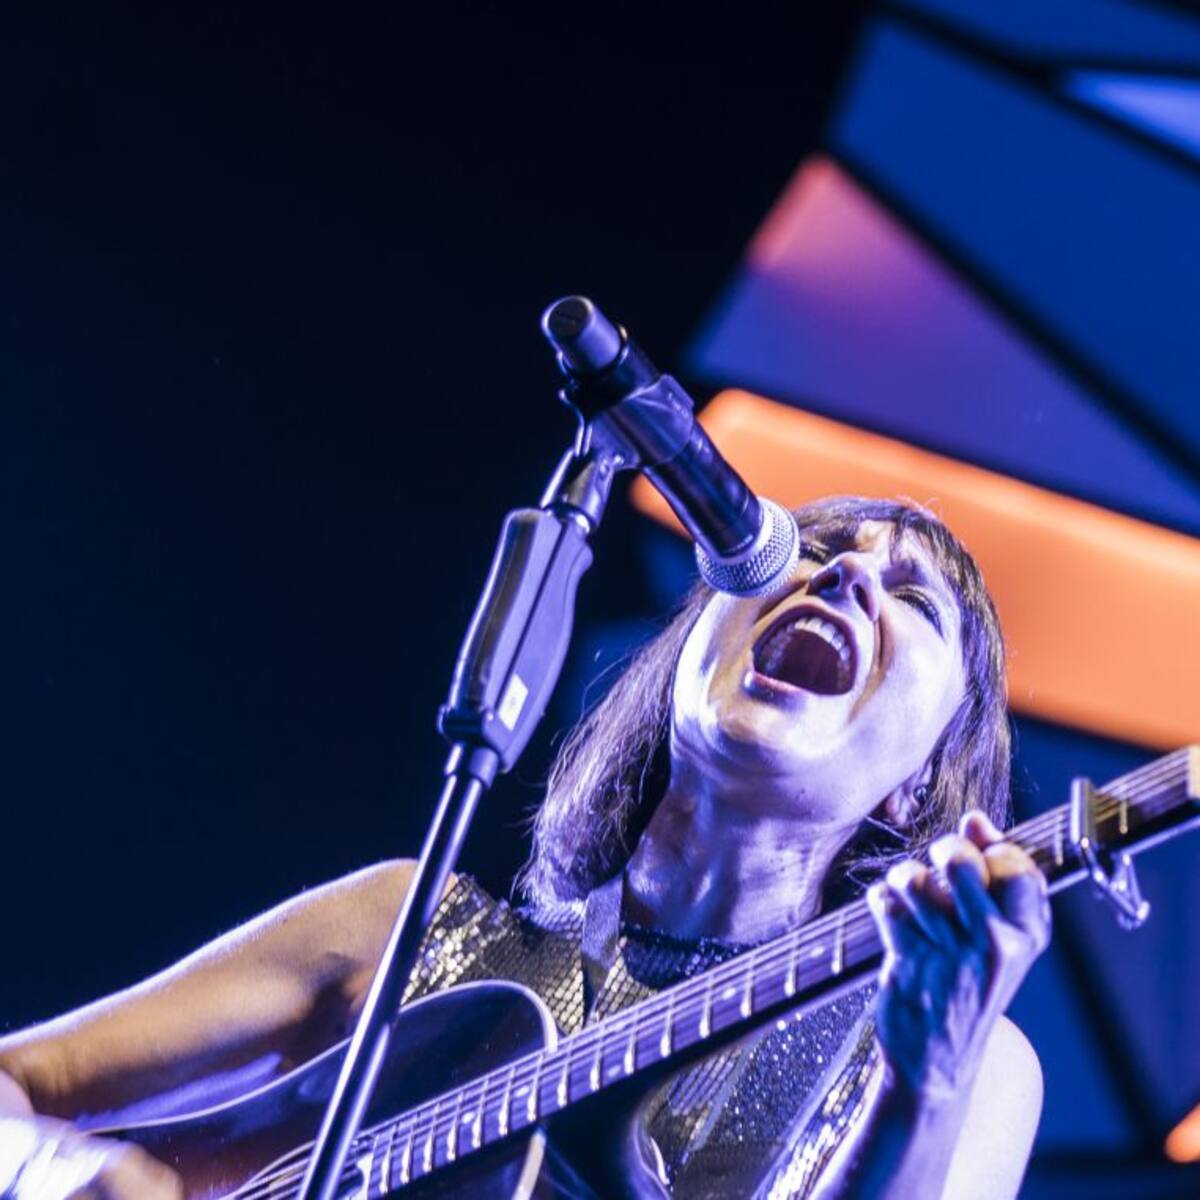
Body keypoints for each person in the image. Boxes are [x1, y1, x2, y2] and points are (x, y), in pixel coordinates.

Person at [0, 495, 1049, 1198]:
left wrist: (926, 1078)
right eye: (810, 549)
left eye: (916, 601)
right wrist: (67, 1173)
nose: (846, 575)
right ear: (693, 645)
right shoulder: (408, 928)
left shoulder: (966, 1059)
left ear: (925, 777)